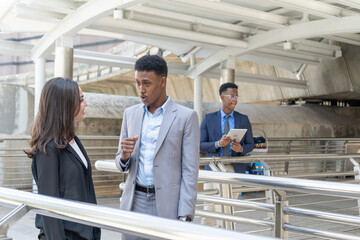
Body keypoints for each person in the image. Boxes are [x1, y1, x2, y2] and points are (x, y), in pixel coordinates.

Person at [115, 55, 200, 240]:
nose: (141, 90)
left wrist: (185, 214)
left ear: (163, 82)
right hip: (133, 202)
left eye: (147, 83)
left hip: (167, 205)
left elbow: (190, 170)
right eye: (138, 83)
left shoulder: (186, 117)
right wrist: (124, 156)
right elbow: (120, 161)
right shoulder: (130, 114)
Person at [25, 77, 101, 240]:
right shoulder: (48, 149)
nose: (85, 103)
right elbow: (48, 207)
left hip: (84, 233)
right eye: (81, 100)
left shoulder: (73, 140)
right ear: (65, 105)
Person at [200, 82, 254, 173]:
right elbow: (200, 145)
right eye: (232, 96)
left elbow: (251, 144)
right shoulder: (208, 119)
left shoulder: (243, 119)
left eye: (236, 97)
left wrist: (241, 149)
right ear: (222, 97)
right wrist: (218, 144)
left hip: (235, 169)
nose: (235, 100)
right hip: (213, 168)